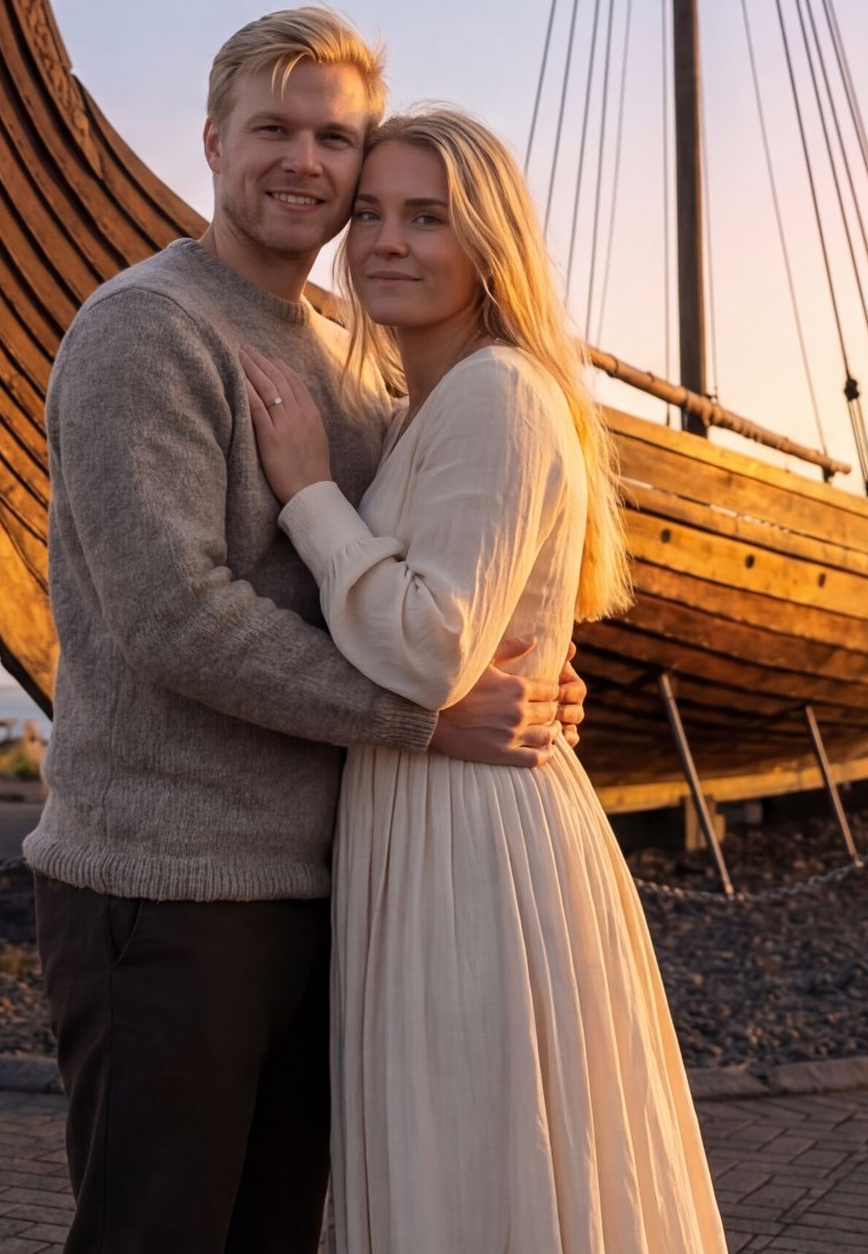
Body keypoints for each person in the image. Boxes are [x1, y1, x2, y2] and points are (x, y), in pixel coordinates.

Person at [26, 9, 589, 1254]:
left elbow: (421, 573)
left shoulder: (358, 354)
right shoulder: (146, 329)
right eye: (273, 127)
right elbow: (179, 618)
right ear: (214, 139)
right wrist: (430, 718)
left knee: (277, 1235)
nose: (305, 161)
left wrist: (533, 648)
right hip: (166, 886)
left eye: (335, 136)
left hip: (327, 886)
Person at [241, 105, 728, 1254]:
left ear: (489, 243)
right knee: (464, 1164)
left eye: (427, 217)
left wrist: (307, 491)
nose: (386, 242)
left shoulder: (497, 393)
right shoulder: (429, 405)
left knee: (475, 1167)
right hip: (438, 820)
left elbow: (428, 645)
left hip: (473, 842)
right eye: (368, 215)